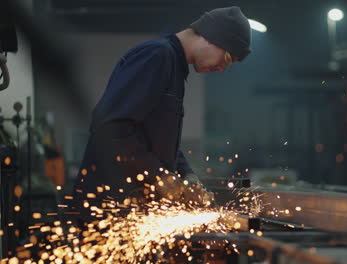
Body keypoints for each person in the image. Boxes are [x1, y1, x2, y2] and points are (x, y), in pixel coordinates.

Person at [71, 6, 252, 211]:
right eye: (227, 59)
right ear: (212, 37)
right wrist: (159, 177)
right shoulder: (157, 56)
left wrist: (187, 175)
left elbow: (155, 138)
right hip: (107, 207)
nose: (221, 68)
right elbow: (110, 125)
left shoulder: (174, 67)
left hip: (130, 207)